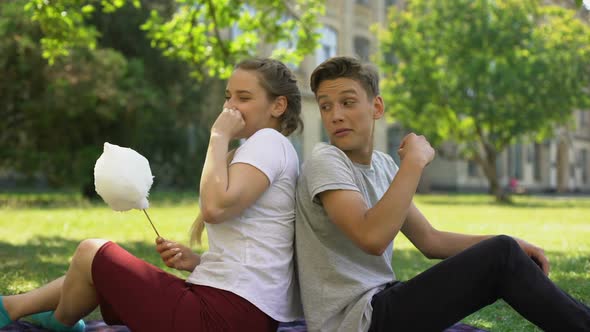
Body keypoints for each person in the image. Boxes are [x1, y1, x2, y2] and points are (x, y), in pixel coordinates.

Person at [0, 57, 303, 332]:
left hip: (225, 316)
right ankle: (15, 307)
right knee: (97, 270)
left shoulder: (268, 142)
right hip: (236, 312)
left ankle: (57, 320)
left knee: (91, 252)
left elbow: (215, 208)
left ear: (278, 106)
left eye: (244, 98)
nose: (229, 107)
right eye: (227, 97)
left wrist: (218, 135)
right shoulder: (258, 150)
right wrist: (199, 262)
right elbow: (258, 249)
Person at [294, 56, 590, 332]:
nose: (336, 116)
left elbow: (430, 241)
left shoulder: (382, 165)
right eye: (325, 106)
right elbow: (371, 238)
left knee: (503, 251)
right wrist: (414, 162)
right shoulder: (325, 161)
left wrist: (514, 243)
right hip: (356, 321)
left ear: (377, 108)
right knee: (501, 254)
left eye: (347, 102)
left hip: (382, 301)